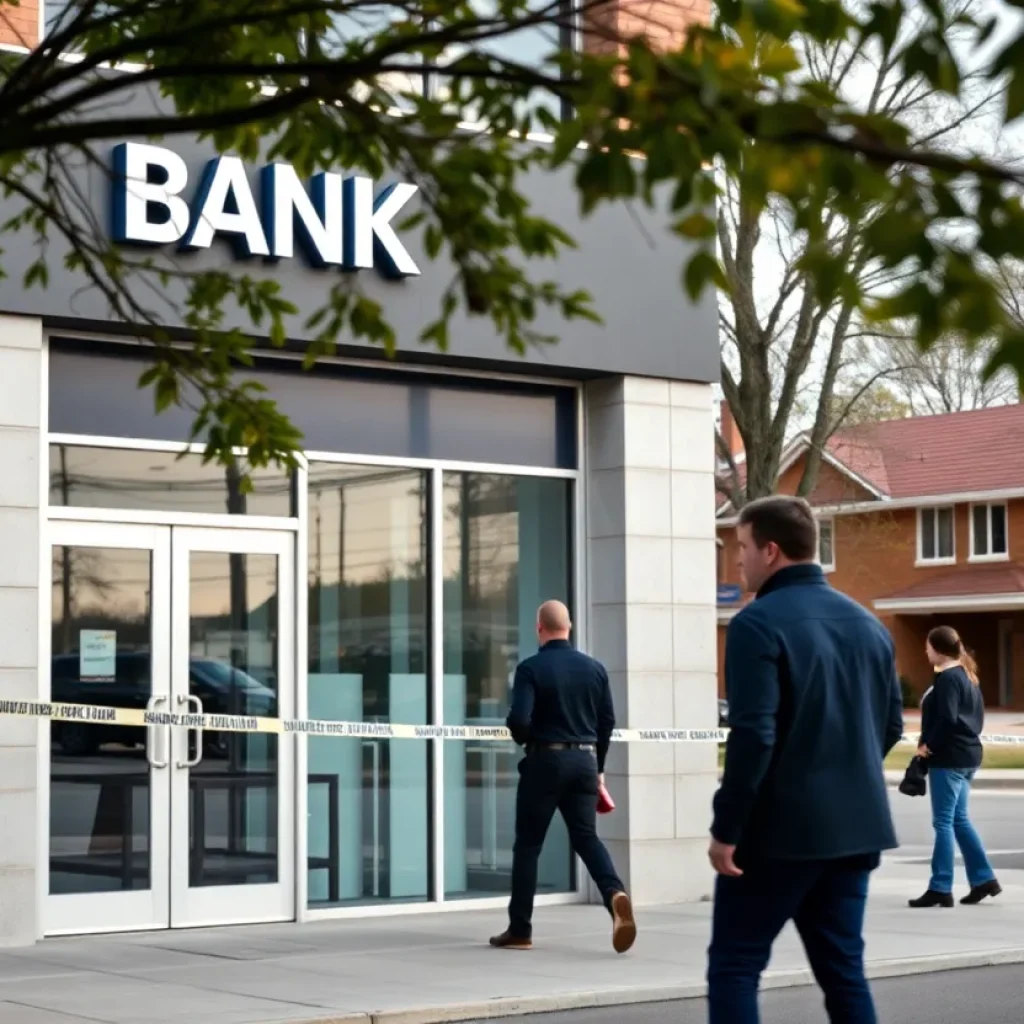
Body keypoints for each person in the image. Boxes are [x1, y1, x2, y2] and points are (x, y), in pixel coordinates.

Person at [707, 496, 904, 1024]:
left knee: (735, 963)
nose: (737, 561)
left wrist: (727, 828)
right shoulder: (869, 626)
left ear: (770, 550)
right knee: (843, 971)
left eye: (743, 547)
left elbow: (753, 735)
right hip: (856, 829)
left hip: (777, 834)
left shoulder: (756, 624)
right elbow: (890, 727)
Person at [489, 599, 636, 954]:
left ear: (539, 628)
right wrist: (597, 766)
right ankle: (614, 893)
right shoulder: (595, 669)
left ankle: (520, 929)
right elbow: (607, 723)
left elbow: (520, 720)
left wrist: (527, 739)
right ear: (569, 627)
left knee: (528, 846)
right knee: (587, 838)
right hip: (585, 761)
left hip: (546, 762)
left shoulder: (530, 669)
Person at [909, 625, 1001, 908]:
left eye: (927, 647)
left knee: (943, 822)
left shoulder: (948, 678)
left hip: (949, 759)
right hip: (968, 756)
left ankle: (940, 887)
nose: (925, 651)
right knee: (958, 819)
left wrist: (927, 747)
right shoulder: (967, 676)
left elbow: (947, 719)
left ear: (937, 649)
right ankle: (984, 879)